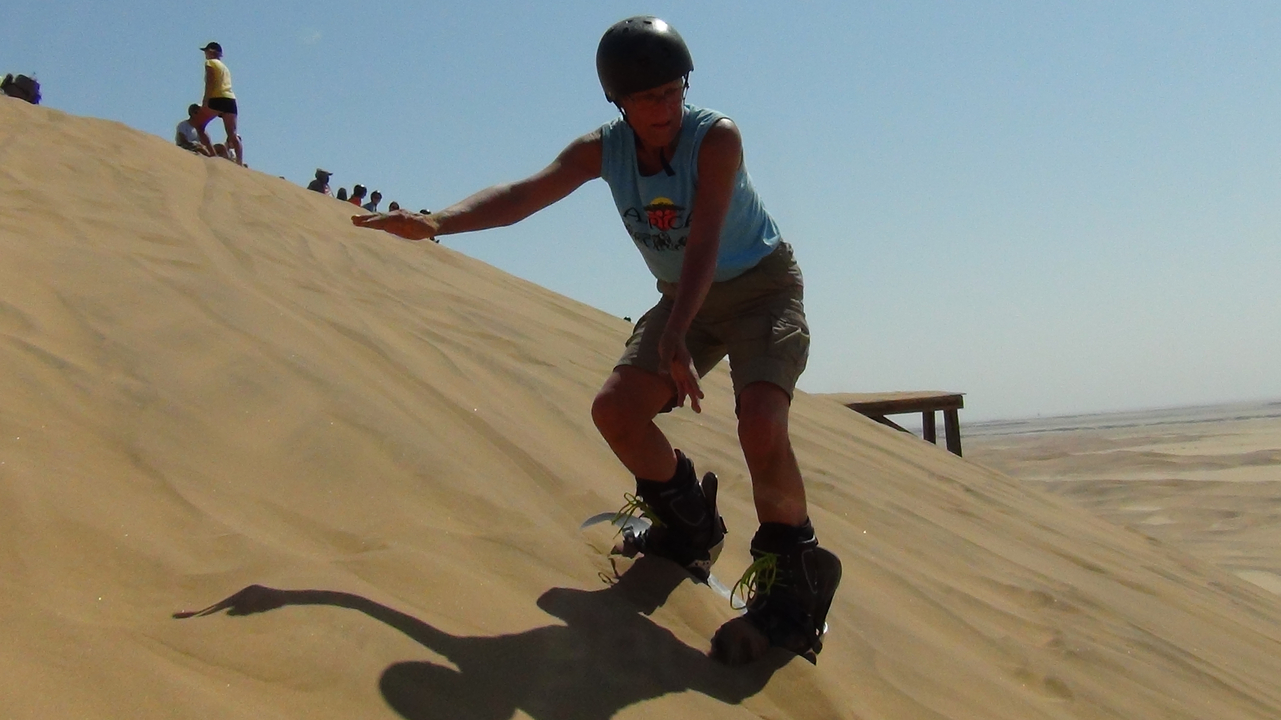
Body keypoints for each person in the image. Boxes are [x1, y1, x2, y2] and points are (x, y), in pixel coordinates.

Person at [352, 16, 840, 666]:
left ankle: (793, 573)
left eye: (673, 92)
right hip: (682, 302)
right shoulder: (603, 151)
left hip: (761, 290)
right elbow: (524, 194)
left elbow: (703, 242)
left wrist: (672, 333)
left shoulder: (714, 138)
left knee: (759, 419)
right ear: (618, 101)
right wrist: (438, 221)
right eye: (647, 98)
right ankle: (689, 521)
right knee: (614, 410)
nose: (664, 108)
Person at [193, 42, 244, 166]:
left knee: (199, 125)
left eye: (206, 51)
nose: (205, 53)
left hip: (217, 98)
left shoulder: (210, 63)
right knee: (232, 134)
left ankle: (212, 154)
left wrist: (205, 99)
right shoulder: (225, 67)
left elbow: (210, 81)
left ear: (211, 51)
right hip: (230, 100)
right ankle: (239, 162)